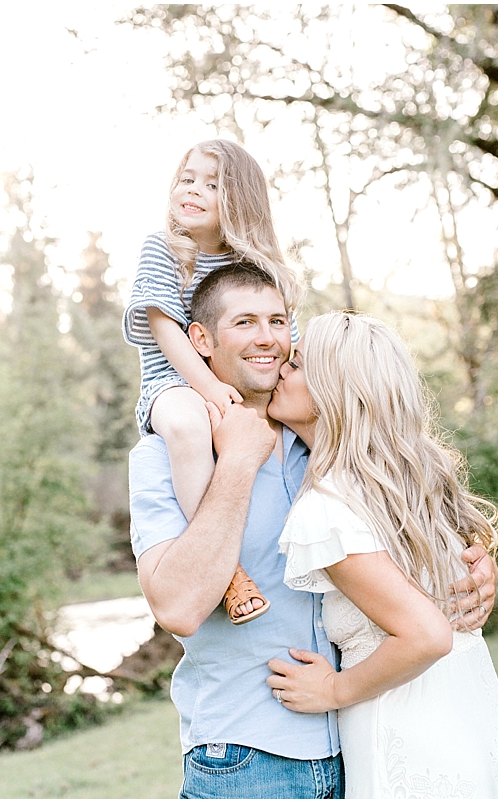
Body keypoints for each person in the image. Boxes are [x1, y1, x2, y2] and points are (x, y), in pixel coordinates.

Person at [128, 265, 498, 799]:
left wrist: (476, 561)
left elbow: (423, 529)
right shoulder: (162, 457)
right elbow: (179, 609)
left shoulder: (330, 446)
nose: (267, 338)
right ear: (201, 340)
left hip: (367, 742)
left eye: (278, 321)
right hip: (250, 758)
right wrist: (237, 463)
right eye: (245, 322)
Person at [265, 311, 498, 798]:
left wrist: (334, 691)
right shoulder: (414, 486)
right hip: (476, 730)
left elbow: (427, 635)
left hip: (407, 736)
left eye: (297, 364)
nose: (279, 366)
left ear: (334, 393)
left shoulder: (328, 507)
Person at [123, 140, 303, 624]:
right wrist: (207, 389)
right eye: (187, 178)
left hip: (224, 386)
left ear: (240, 201)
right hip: (173, 381)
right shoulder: (165, 248)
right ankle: (228, 570)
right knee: (186, 425)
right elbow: (162, 326)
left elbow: (287, 340)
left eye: (211, 183)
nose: (193, 190)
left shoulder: (257, 267)